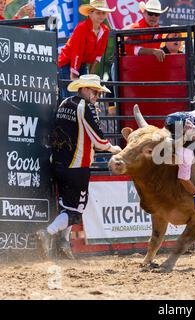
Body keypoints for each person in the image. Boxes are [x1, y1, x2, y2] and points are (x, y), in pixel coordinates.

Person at [36, 75, 122, 259]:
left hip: (58, 162)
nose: (97, 96)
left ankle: (63, 244)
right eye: (96, 92)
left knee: (66, 205)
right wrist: (112, 148)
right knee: (76, 210)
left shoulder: (65, 103)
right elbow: (98, 139)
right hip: (77, 165)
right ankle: (48, 232)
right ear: (85, 89)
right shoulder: (85, 107)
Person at [58, 0, 116, 99]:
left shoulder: (105, 30)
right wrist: (73, 74)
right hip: (67, 63)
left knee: (85, 93)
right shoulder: (81, 28)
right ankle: (68, 113)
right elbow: (77, 52)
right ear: (90, 13)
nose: (101, 16)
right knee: (71, 94)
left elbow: (100, 52)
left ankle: (81, 113)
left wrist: (92, 70)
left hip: (82, 63)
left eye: (103, 13)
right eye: (98, 12)